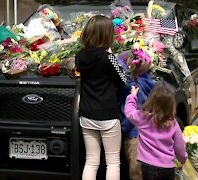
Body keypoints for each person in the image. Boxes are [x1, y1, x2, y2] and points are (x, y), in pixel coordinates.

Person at [75, 15, 127, 180]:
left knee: (91, 161)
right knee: (112, 162)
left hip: (86, 114)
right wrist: (114, 58)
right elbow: (123, 81)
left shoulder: (80, 56)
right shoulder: (108, 57)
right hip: (107, 115)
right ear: (107, 35)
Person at [124, 84, 188, 180]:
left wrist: (132, 96)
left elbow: (129, 111)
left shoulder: (143, 118)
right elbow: (179, 145)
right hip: (168, 167)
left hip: (148, 166)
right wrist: (183, 159)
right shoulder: (173, 124)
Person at [116, 54, 155, 180]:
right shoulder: (149, 82)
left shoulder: (131, 87)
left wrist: (122, 128)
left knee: (136, 171)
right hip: (148, 134)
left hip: (134, 135)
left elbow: (130, 115)